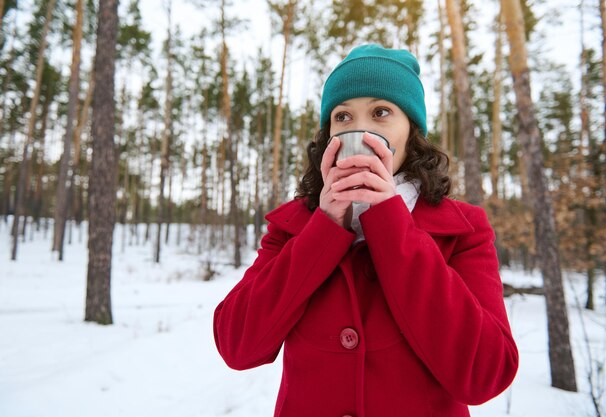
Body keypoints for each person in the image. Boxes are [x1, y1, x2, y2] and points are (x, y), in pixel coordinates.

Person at [213, 44, 518, 417]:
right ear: (329, 137)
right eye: (343, 116)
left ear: (412, 131)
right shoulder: (292, 226)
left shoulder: (462, 229)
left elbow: (486, 374)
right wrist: (324, 228)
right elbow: (237, 345)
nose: (360, 128)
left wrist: (389, 219)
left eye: (381, 112)